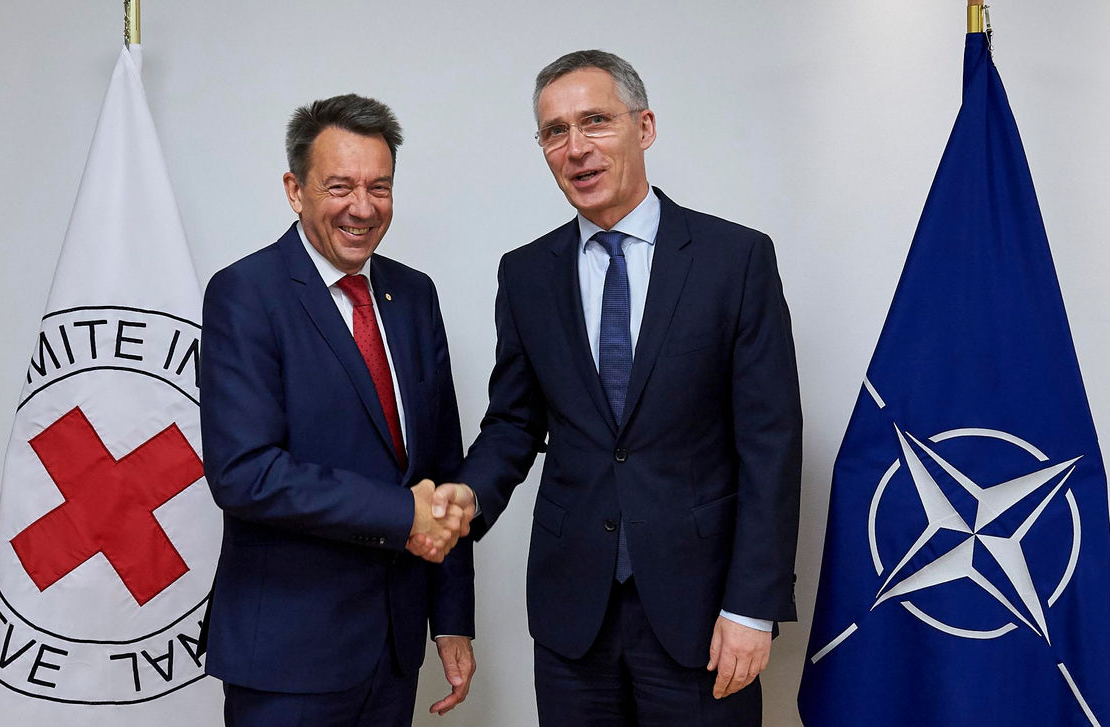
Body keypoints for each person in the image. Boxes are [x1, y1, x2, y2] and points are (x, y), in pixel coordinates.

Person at [443, 50, 803, 725]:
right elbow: (515, 423)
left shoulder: (735, 260)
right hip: (571, 613)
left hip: (702, 613)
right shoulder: (525, 274)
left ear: (645, 126)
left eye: (595, 122)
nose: (575, 148)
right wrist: (463, 501)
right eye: (555, 131)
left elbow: (771, 444)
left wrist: (752, 605)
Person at [199, 94, 477, 727]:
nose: (363, 207)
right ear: (295, 190)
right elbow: (246, 473)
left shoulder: (413, 295)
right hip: (286, 660)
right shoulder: (245, 294)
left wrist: (451, 620)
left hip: (392, 650)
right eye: (340, 186)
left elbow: (440, 465)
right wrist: (401, 512)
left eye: (380, 187)